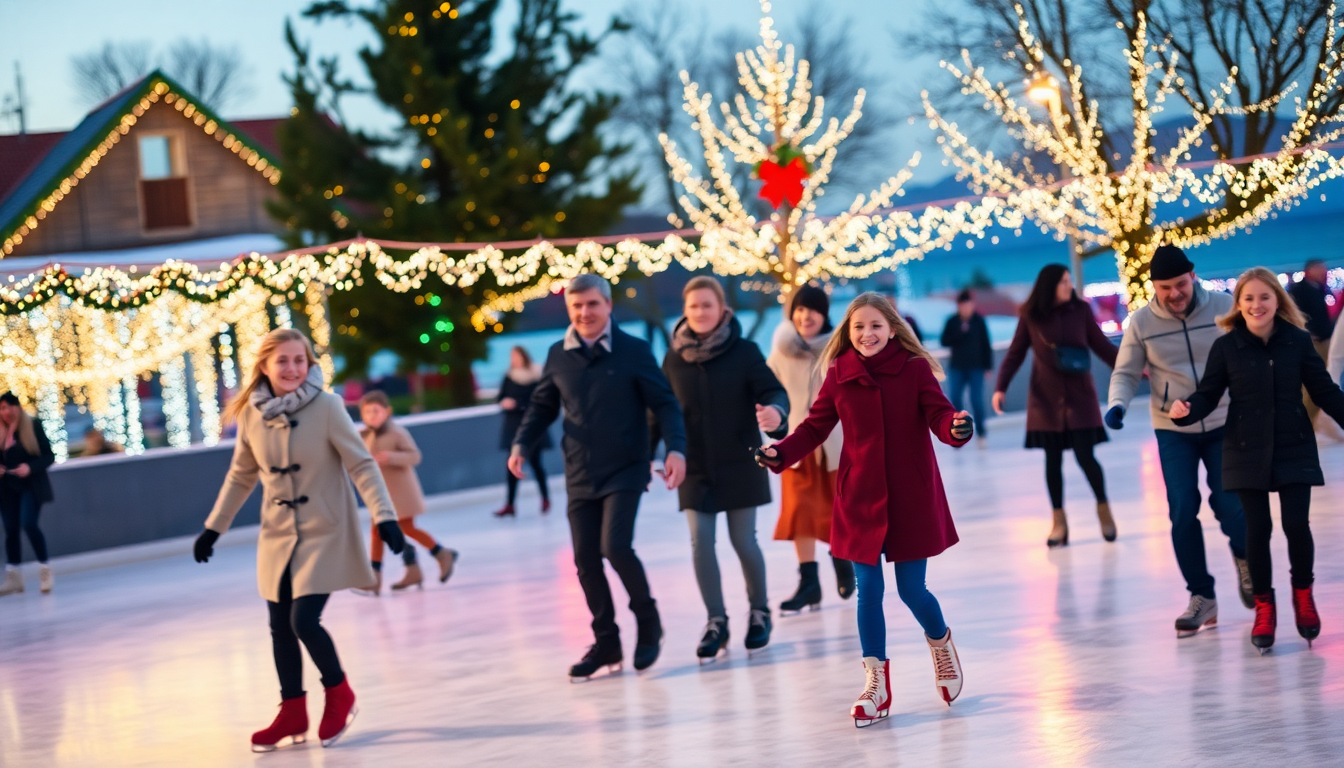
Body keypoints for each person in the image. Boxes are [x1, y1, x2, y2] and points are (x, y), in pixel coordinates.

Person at [757, 292, 973, 726]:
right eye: (858, 327)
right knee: (868, 590)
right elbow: (815, 426)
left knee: (913, 590)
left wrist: (955, 428)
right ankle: (876, 685)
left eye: (875, 325)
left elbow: (939, 415)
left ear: (892, 328)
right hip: (858, 498)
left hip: (909, 494)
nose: (867, 334)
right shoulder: (839, 373)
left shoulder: (913, 370)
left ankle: (941, 643)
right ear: (848, 333)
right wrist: (781, 453)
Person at [192, 328, 408, 751]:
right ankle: (292, 711)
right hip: (278, 532)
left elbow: (362, 465)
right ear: (265, 365)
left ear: (309, 364)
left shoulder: (328, 407)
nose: (292, 368)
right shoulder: (252, 414)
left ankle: (339, 692)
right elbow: (241, 474)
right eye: (283, 360)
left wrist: (385, 517)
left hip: (325, 528)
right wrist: (214, 527)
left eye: (300, 360)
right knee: (279, 627)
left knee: (303, 619)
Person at [511, 273, 688, 680]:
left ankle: (649, 620)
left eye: (592, 304)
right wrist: (522, 444)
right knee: (585, 559)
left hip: (626, 466)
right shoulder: (558, 355)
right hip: (579, 470)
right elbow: (541, 407)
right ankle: (606, 641)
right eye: (577, 306)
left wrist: (675, 448)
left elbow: (665, 405)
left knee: (616, 546)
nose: (585, 313)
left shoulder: (634, 351)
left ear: (608, 305)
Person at [1170, 267, 1344, 653]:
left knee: (1297, 525)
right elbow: (1209, 394)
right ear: (1238, 305)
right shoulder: (1227, 347)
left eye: (1264, 297)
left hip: (1293, 444)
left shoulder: (1297, 342)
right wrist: (1187, 409)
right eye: (1248, 298)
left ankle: (1304, 596)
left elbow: (1325, 392)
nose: (1256, 305)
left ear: (1277, 301)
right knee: (1257, 531)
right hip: (1245, 448)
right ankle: (1264, 609)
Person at [1105, 245, 1252, 638]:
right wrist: (1117, 406)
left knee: (1231, 505)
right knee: (1182, 508)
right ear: (1154, 286)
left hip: (1223, 420)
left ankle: (1245, 559)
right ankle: (1202, 596)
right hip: (1173, 428)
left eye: (1181, 285)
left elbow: (1250, 352)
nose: (1174, 294)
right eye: (1165, 287)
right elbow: (1126, 372)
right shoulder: (1141, 322)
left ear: (1193, 277)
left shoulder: (1224, 307)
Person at [661, 276, 789, 661]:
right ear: (685, 311)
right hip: (693, 466)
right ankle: (716, 620)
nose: (700, 312)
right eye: (694, 306)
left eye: (707, 305)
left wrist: (775, 414)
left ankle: (759, 611)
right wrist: (658, 452)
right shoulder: (673, 358)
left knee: (743, 540)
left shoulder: (744, 351)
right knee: (701, 543)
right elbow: (661, 412)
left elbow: (773, 391)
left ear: (722, 310)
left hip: (739, 461)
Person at [994, 264, 1119, 547]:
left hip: (1080, 399)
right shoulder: (1031, 315)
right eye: (1063, 282)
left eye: (1069, 281)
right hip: (1045, 401)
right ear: (1050, 285)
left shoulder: (1082, 311)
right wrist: (1000, 387)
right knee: (1053, 462)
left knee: (1086, 458)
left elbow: (1101, 346)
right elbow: (1015, 353)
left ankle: (1104, 510)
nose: (1069, 286)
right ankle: (1059, 523)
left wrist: (1133, 368)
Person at [767, 286, 853, 611]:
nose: (806, 317)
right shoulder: (779, 354)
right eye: (800, 310)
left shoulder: (839, 352)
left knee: (837, 509)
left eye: (813, 311)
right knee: (799, 513)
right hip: (795, 445)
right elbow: (767, 393)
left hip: (835, 444)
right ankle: (809, 583)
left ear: (825, 314)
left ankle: (842, 561)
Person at [358, 390, 458, 593]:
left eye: (376, 411)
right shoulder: (363, 436)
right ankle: (410, 569)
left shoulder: (397, 433)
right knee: (378, 532)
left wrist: (392, 457)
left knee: (404, 528)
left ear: (387, 412)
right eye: (367, 412)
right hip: (380, 495)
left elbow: (414, 456)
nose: (371, 416)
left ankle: (440, 553)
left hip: (401, 494)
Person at [0, 393, 56, 597]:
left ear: (17, 407)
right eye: (2, 408)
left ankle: (45, 570)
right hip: (7, 488)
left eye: (9, 407)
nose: (6, 412)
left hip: (31, 486)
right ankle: (13, 577)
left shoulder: (33, 426)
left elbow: (49, 455)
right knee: (11, 529)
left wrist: (30, 467)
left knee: (29, 523)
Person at [494, 346, 551, 517]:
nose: (514, 359)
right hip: (513, 428)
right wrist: (505, 402)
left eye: (517, 356)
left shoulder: (535, 376)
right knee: (511, 466)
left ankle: (545, 498)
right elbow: (500, 396)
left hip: (532, 426)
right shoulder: (508, 376)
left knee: (536, 464)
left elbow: (539, 401)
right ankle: (510, 504)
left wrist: (518, 404)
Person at [940, 288, 993, 448]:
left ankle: (981, 432)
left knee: (976, 399)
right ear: (958, 306)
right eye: (962, 305)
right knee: (955, 398)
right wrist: (959, 333)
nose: (965, 308)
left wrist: (988, 366)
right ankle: (959, 433)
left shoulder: (979, 321)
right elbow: (944, 341)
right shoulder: (952, 322)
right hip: (957, 368)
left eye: (968, 305)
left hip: (976, 367)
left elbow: (986, 344)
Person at [1288, 259, 1336, 428]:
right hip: (1315, 341)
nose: (1325, 272)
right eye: (1321, 268)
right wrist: (1308, 333)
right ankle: (1305, 420)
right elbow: (1294, 313)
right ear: (1311, 270)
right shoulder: (1300, 289)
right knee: (1315, 382)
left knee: (1321, 381)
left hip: (1324, 338)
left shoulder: (1318, 288)